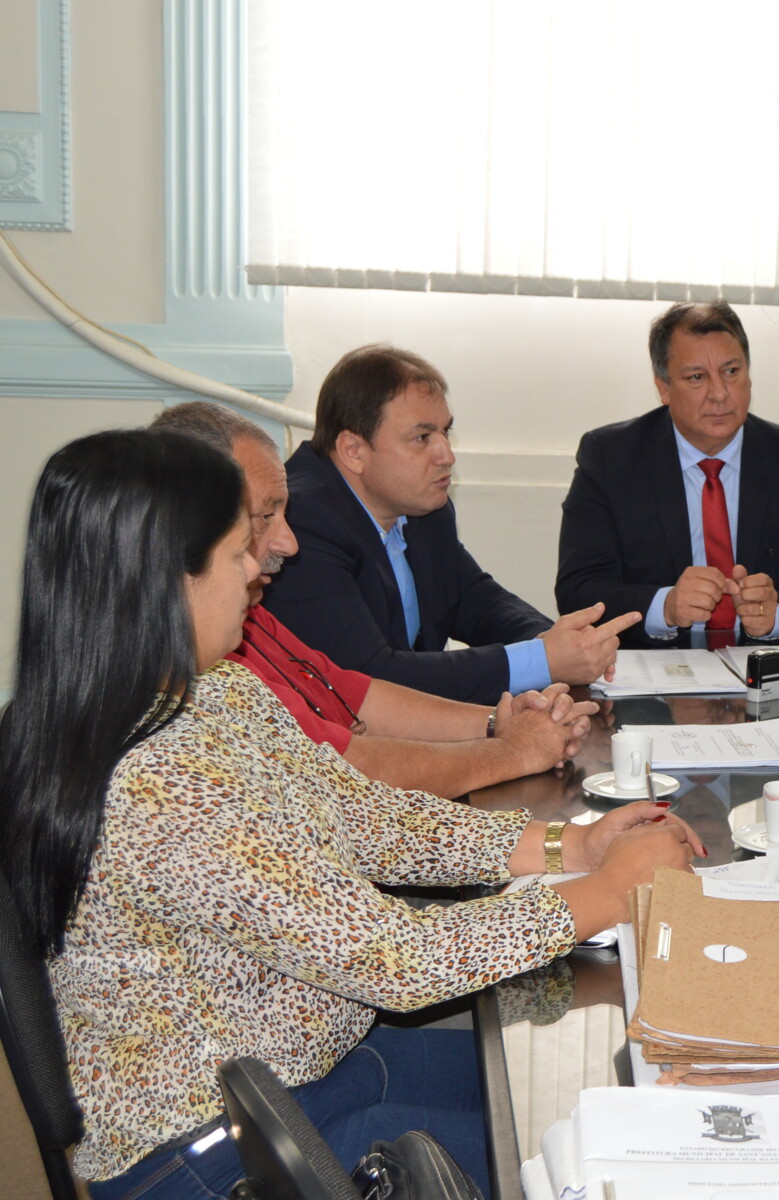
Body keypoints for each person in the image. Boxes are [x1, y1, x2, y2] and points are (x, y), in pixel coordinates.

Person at [0, 429, 701, 1199]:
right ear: (162, 578)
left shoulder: (216, 689)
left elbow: (363, 817)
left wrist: (572, 844)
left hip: (305, 1073)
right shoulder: (154, 781)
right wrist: (608, 892)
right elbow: (394, 959)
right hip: (221, 1151)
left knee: (590, 1100)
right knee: (602, 1161)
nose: (258, 569)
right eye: (237, 552)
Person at [152, 401, 594, 800]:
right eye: (265, 516)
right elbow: (341, 775)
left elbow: (353, 691)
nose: (289, 542)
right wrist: (512, 752)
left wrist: (500, 722)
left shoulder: (248, 616)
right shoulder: (201, 672)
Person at [265, 344, 634, 704]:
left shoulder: (423, 508)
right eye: (422, 437)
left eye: (445, 432)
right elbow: (370, 677)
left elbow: (472, 598)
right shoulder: (300, 521)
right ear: (353, 451)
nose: (447, 455)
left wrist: (557, 640)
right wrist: (541, 661)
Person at [555, 302, 779, 648]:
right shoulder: (609, 458)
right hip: (656, 667)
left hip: (765, 663)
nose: (720, 394)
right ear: (664, 388)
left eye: (731, 371)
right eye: (697, 377)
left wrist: (778, 614)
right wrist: (665, 606)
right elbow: (578, 589)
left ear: (749, 375)